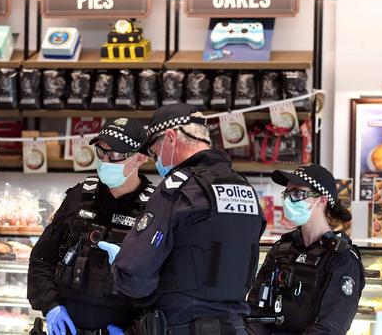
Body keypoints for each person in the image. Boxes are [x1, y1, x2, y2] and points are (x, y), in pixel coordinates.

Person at [99, 104, 266, 335]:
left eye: (155, 150)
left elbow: (135, 278)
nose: (155, 158)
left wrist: (119, 265)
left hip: (183, 326)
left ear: (170, 138)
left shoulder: (177, 189)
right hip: (236, 327)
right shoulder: (244, 188)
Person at [28, 118, 156, 335]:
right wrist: (51, 306)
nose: (105, 161)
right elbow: (41, 260)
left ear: (140, 158)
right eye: (101, 152)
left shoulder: (154, 207)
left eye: (114, 155)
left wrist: (136, 332)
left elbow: (164, 288)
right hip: (67, 328)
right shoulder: (79, 197)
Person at [246, 164, 364, 335]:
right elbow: (254, 312)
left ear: (321, 201)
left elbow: (329, 328)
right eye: (287, 193)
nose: (288, 200)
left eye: (297, 193)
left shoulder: (341, 258)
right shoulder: (281, 250)